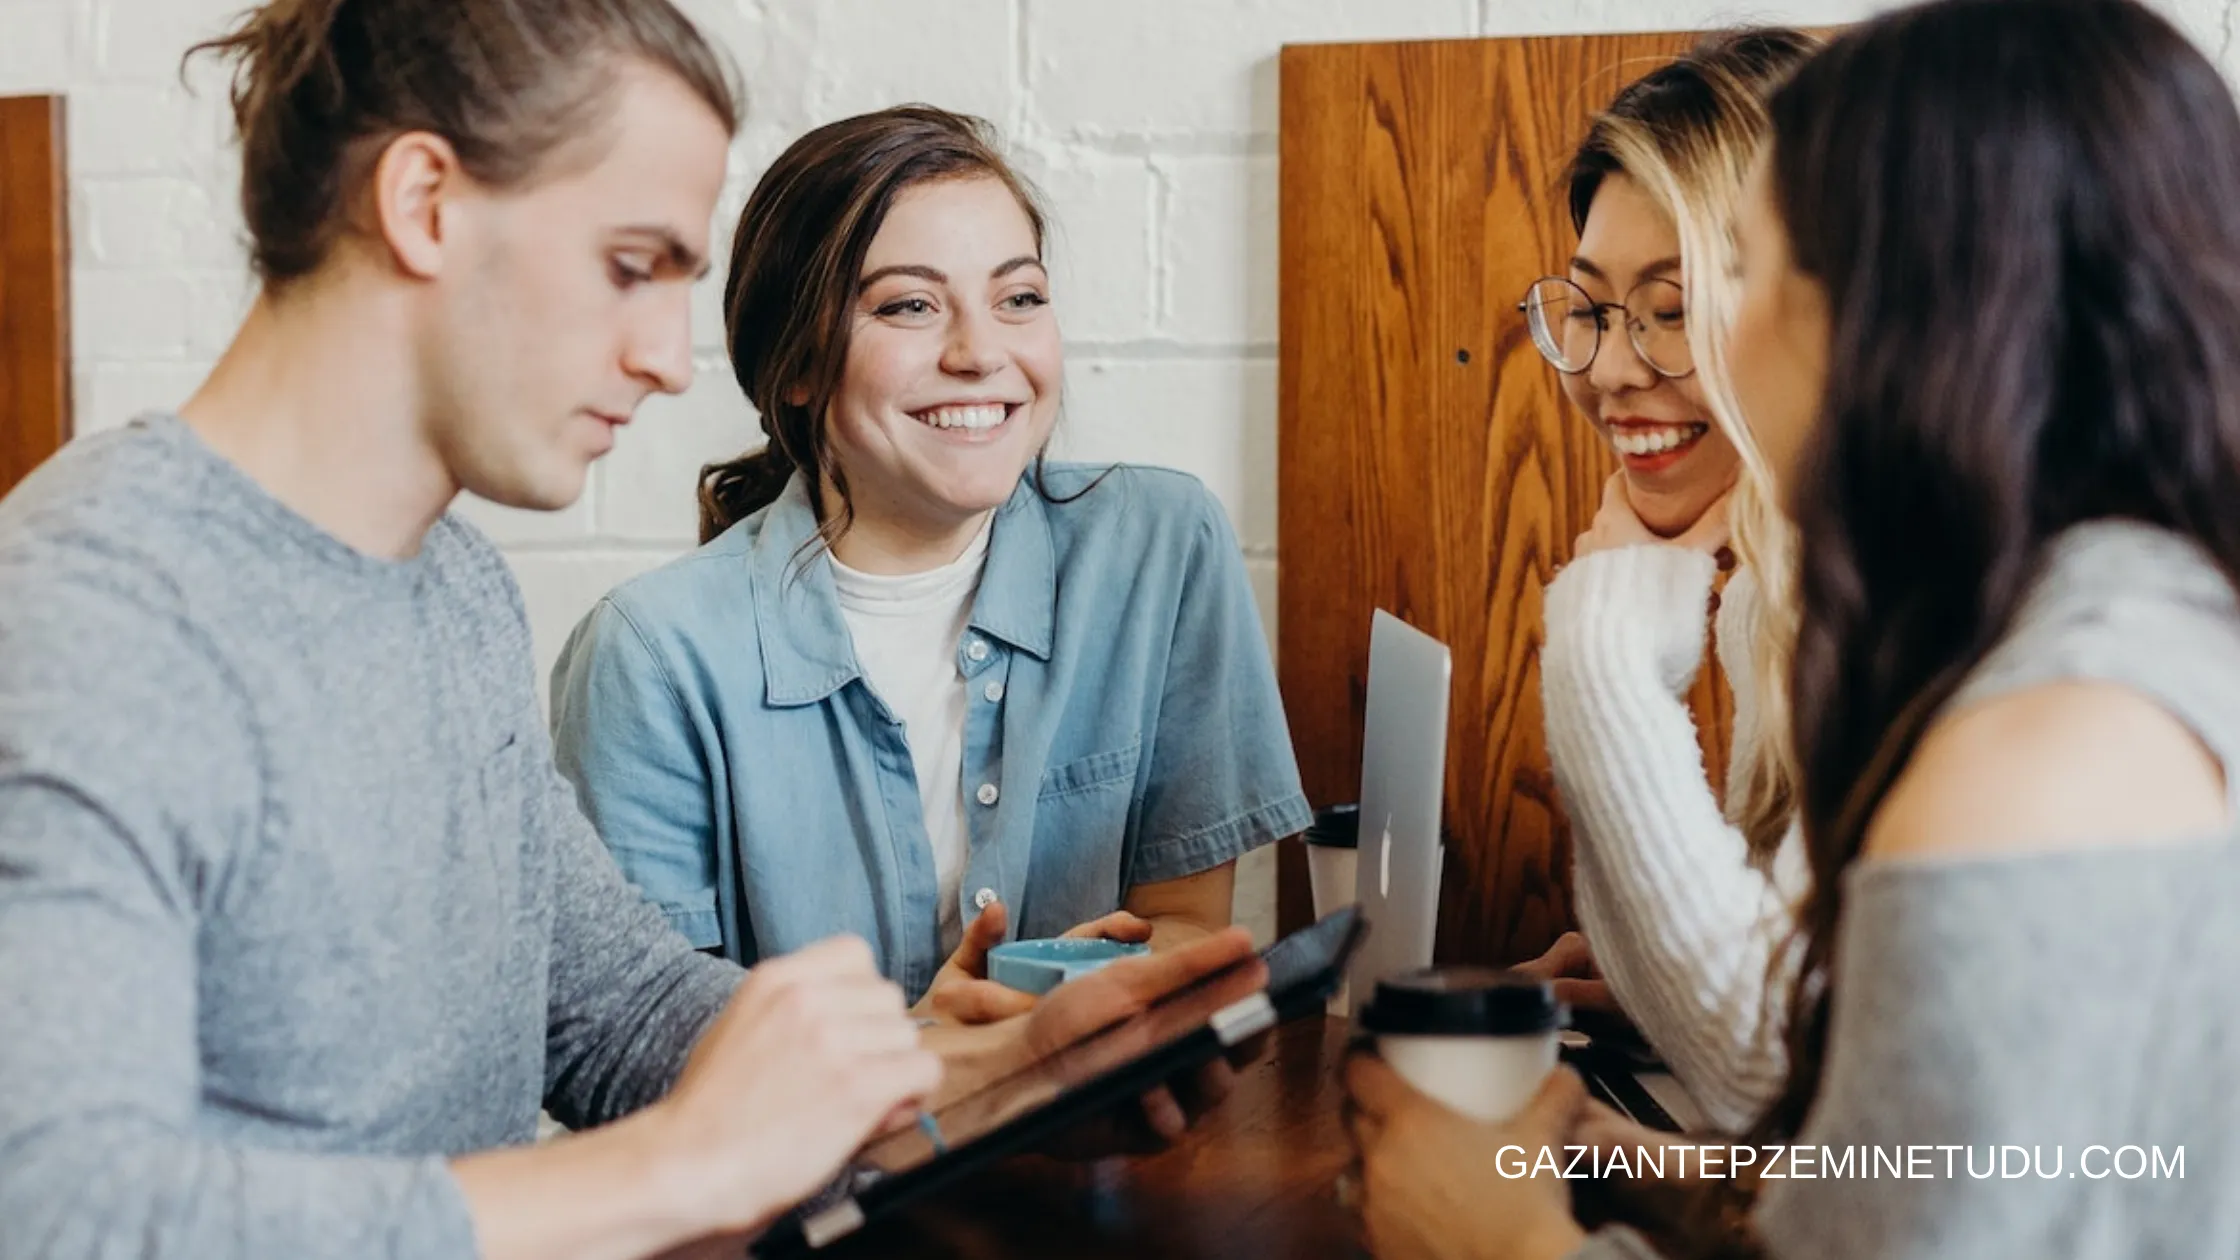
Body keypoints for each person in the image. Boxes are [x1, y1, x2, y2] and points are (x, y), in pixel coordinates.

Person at [0, 5, 1262, 1258]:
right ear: (425, 203)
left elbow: (620, 1014)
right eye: (628, 266)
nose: (670, 361)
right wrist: (674, 1169)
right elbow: (58, 1210)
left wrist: (988, 1085)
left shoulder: (448, 588)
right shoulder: (90, 616)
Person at [1347, 0, 2240, 1255]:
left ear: (1906, 312)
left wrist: (1496, 1242)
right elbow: (1969, 1175)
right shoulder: (2113, 629)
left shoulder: (2040, 746)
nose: (1640, 358)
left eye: (1747, 270)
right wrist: (1693, 1183)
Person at [550, 104, 1310, 1022]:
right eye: (909, 305)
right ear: (794, 365)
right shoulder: (650, 657)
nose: (981, 353)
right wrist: (934, 1054)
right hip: (815, 1165)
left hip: (1098, 1145)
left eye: (1018, 298)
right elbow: (648, 1050)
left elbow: (1185, 929)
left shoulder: (1160, 548)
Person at [1521, 28, 1816, 1132]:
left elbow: (1768, 1076)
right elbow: (1794, 1035)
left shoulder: (1904, 602)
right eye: (1592, 308)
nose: (1605, 369)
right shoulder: (1771, 593)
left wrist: (1600, 649)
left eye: (1671, 306)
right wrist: (1649, 979)